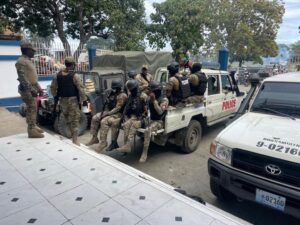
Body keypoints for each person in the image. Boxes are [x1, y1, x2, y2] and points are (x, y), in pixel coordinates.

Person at [50, 57, 87, 145]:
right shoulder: (75, 76)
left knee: (67, 119)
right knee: (74, 119)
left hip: (63, 101)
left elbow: (53, 87)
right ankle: (75, 139)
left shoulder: (58, 75)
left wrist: (56, 96)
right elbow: (81, 88)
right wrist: (84, 100)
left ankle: (71, 136)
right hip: (73, 101)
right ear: (73, 65)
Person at [86, 79, 127, 152]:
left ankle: (103, 142)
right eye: (113, 88)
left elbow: (118, 108)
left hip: (118, 114)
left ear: (119, 87)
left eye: (116, 88)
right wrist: (104, 111)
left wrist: (107, 114)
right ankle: (94, 138)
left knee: (103, 121)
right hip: (109, 111)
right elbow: (108, 103)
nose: (114, 89)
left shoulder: (122, 95)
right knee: (95, 117)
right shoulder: (112, 93)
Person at [15, 40, 44, 138]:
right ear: (27, 50)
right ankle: (31, 130)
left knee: (33, 108)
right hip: (27, 90)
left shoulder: (27, 61)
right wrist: (31, 90)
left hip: (31, 88)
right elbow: (22, 77)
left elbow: (32, 78)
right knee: (32, 108)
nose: (34, 52)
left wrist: (39, 88)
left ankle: (33, 126)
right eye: (32, 50)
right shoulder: (21, 61)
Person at [114, 80, 148, 153]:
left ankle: (127, 146)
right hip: (133, 116)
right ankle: (126, 146)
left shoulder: (143, 96)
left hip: (140, 117)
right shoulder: (131, 96)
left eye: (133, 89)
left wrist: (143, 117)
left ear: (136, 88)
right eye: (130, 90)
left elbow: (147, 109)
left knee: (130, 125)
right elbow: (127, 107)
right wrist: (124, 116)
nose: (132, 91)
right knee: (126, 124)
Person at [140, 81, 169, 163]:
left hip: (159, 121)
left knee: (147, 130)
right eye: (151, 91)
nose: (152, 92)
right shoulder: (150, 97)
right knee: (135, 123)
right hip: (150, 119)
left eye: (153, 91)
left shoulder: (164, 99)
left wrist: (154, 101)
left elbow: (160, 112)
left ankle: (144, 153)